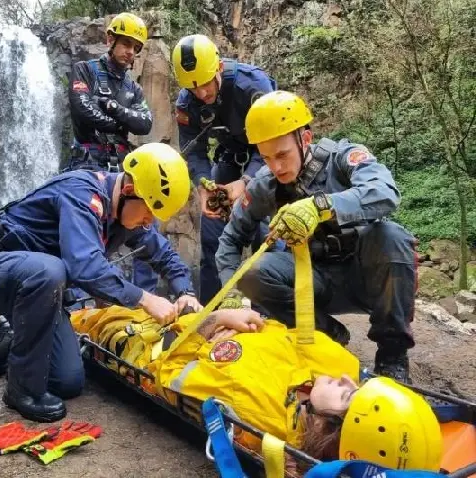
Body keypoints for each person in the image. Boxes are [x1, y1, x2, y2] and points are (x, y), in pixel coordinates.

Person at [0, 142, 202, 423]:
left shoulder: (128, 214)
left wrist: (185, 292)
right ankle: (22, 391)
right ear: (128, 190)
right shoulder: (81, 194)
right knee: (50, 270)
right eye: (148, 211)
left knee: (68, 381)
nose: (149, 221)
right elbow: (84, 266)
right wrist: (146, 299)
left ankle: (11, 334)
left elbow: (162, 253)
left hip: (37, 292)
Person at [70, 305, 442, 470]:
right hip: (215, 320)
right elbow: (284, 333)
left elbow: (169, 374)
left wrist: (213, 321)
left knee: (97, 319)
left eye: (349, 395)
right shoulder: (338, 368)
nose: (349, 380)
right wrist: (239, 319)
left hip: (157, 342)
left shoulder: (256, 413)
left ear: (331, 431)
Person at [216, 90, 419, 383]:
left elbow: (386, 192)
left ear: (306, 140)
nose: (276, 166)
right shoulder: (265, 185)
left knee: (392, 236)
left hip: (367, 277)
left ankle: (392, 357)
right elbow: (231, 239)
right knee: (251, 272)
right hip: (314, 280)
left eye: (282, 154)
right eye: (266, 157)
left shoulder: (343, 158)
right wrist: (230, 295)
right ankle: (327, 334)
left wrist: (321, 206)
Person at [171, 34, 280, 304]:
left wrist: (246, 181)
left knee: (263, 232)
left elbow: (275, 140)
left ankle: (270, 309)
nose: (201, 94)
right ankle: (211, 310)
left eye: (205, 85)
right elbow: (193, 153)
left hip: (267, 156)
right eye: (192, 88)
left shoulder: (252, 85)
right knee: (211, 233)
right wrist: (204, 186)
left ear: (218, 68)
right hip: (229, 157)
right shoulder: (186, 103)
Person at [65, 12, 159, 293]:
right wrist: (120, 121)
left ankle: (145, 295)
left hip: (119, 169)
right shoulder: (86, 70)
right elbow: (82, 108)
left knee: (142, 226)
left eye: (135, 47)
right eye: (126, 44)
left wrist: (113, 108)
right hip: (86, 166)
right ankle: (75, 302)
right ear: (110, 39)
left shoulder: (134, 88)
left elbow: (145, 123)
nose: (130, 52)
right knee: (83, 235)